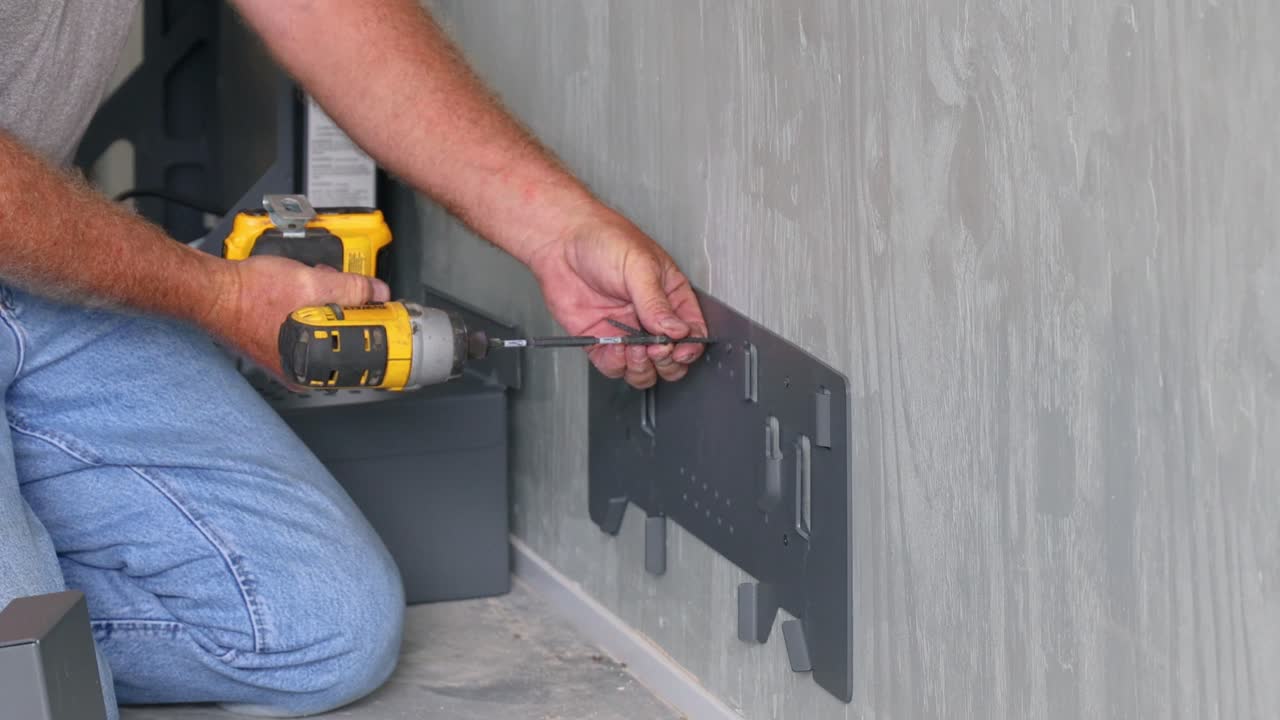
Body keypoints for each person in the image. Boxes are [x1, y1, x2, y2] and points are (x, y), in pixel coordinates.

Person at [0, 1, 707, 717]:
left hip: (37, 262)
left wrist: (558, 230)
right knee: (28, 687)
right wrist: (221, 298)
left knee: (318, 627)